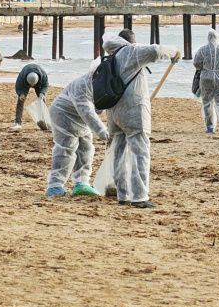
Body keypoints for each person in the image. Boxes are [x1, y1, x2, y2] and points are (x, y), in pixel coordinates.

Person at [102, 29, 181, 209]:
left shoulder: (112, 55)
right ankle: (139, 196)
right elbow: (156, 51)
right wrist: (175, 51)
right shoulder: (131, 51)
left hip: (114, 111)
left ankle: (122, 194)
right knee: (140, 152)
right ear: (132, 42)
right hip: (134, 111)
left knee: (119, 152)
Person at [45, 62, 110, 196]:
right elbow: (87, 112)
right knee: (66, 148)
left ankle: (82, 182)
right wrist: (105, 134)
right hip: (63, 114)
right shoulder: (82, 85)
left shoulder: (107, 85)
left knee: (86, 148)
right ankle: (55, 185)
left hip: (81, 119)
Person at [192, 29, 219, 134]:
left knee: (207, 103)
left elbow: (196, 63)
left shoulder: (202, 50)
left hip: (206, 77)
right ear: (217, 37)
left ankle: (210, 127)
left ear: (208, 38)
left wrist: (204, 67)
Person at [10, 63, 49, 131]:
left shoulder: (43, 76)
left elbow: (45, 85)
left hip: (38, 84)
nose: (32, 86)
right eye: (30, 85)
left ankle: (46, 122)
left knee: (42, 100)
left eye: (33, 85)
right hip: (25, 84)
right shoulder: (22, 77)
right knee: (20, 101)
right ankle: (18, 123)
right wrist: (21, 94)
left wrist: (42, 93)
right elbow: (18, 88)